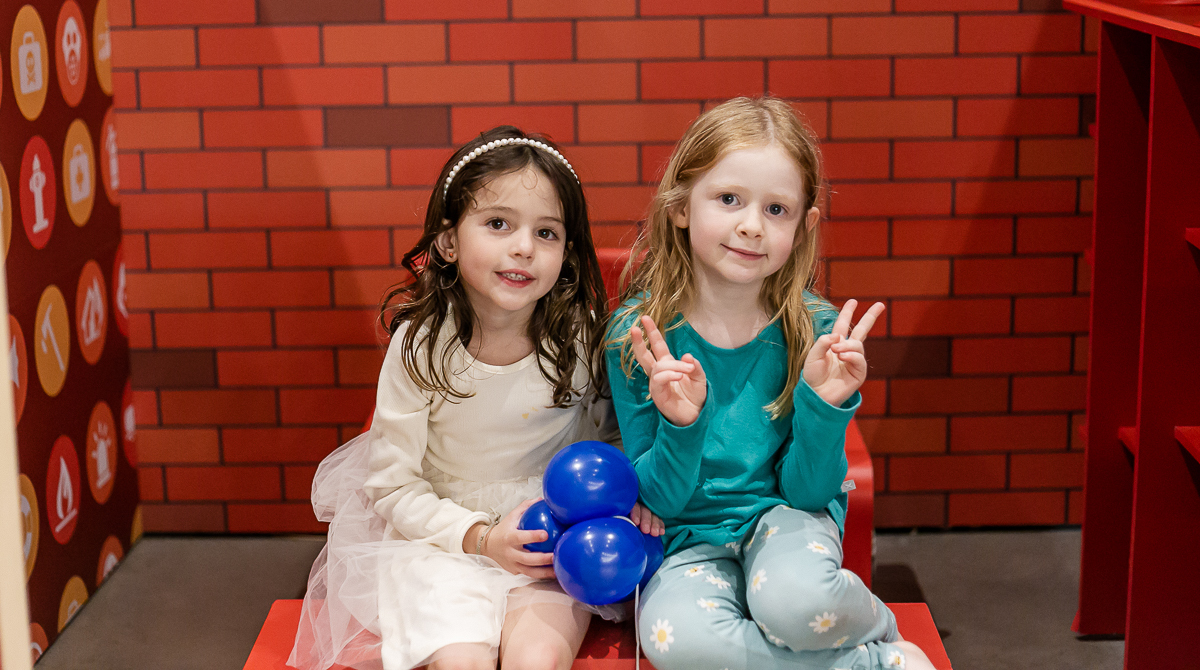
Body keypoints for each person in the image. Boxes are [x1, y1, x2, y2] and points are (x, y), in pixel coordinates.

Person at [290, 126, 663, 670]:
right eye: (498, 224)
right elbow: (393, 485)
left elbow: (609, 438)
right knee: (461, 661)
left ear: (566, 253)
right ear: (448, 242)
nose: (524, 247)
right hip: (442, 541)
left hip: (547, 532)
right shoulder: (421, 347)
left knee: (539, 660)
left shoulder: (577, 336)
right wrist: (481, 538)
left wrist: (626, 494)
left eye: (547, 232)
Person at [605, 97, 935, 670]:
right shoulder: (638, 337)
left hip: (785, 519)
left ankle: (877, 623)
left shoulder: (815, 331)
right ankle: (875, 662)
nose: (752, 225)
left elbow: (808, 494)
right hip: (687, 539)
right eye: (729, 199)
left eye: (776, 209)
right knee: (675, 641)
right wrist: (682, 425)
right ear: (681, 207)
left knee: (795, 606)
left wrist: (822, 407)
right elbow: (658, 501)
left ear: (804, 226)